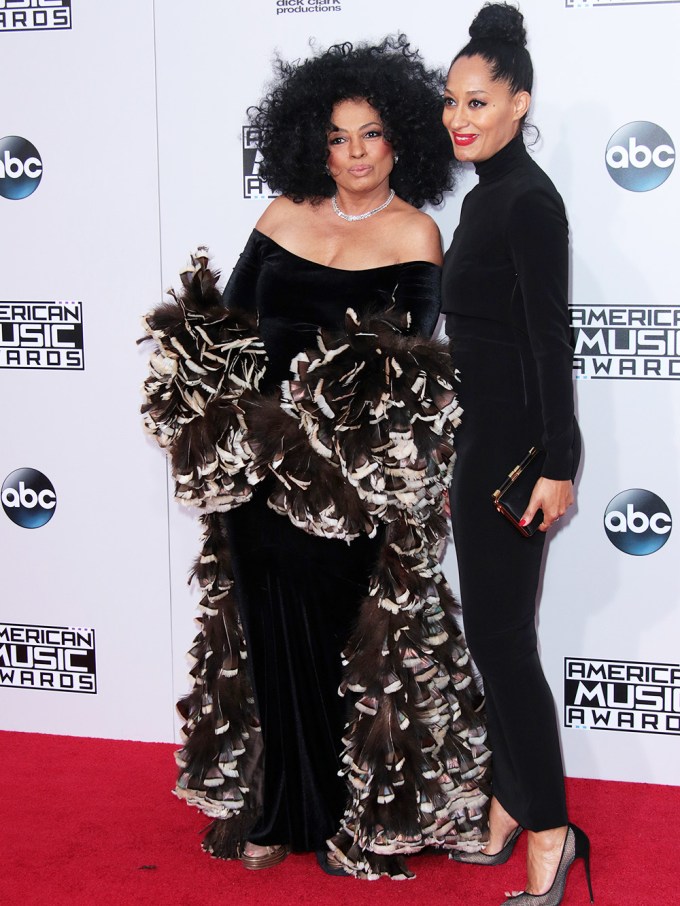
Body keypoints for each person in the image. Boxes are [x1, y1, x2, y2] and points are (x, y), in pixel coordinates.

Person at [141, 36, 490, 880]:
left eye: (372, 134)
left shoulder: (417, 232)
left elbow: (411, 359)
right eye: (338, 137)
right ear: (312, 141)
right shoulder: (280, 216)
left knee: (345, 645)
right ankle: (272, 810)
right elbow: (224, 328)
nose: (356, 153)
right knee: (261, 634)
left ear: (400, 138)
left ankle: (348, 817)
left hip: (347, 486)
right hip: (256, 475)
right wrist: (213, 413)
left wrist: (319, 425)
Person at [440, 5, 592, 906]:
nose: (461, 117)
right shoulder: (482, 194)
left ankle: (550, 832)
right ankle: (506, 802)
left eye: (480, 101)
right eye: (451, 101)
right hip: (479, 450)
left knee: (502, 642)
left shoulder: (529, 200)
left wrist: (559, 462)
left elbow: (551, 339)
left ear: (519, 103)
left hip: (518, 459)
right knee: (493, 639)